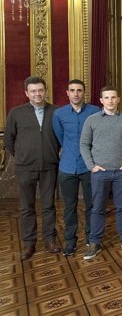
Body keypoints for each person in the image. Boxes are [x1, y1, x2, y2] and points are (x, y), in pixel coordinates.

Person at [6, 76, 61, 260]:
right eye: (33, 91)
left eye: (40, 90)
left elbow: (62, 137)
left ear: (45, 91)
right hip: (25, 167)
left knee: (48, 206)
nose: (37, 94)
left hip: (49, 166)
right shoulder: (16, 112)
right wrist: (22, 156)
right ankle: (29, 243)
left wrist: (53, 154)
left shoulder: (56, 111)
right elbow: (9, 140)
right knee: (26, 207)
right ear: (26, 93)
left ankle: (50, 240)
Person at [80, 86, 122, 259]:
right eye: (107, 98)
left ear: (118, 99)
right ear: (101, 100)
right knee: (97, 208)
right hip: (99, 172)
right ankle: (95, 242)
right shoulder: (92, 120)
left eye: (113, 97)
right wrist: (92, 166)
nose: (110, 101)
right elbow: (84, 145)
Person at [52, 79, 100, 256]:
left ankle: (91, 238)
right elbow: (60, 137)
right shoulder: (59, 114)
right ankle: (70, 241)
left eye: (79, 90)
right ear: (67, 93)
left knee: (92, 205)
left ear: (84, 92)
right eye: (72, 90)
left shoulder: (95, 111)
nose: (76, 93)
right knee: (69, 207)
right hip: (67, 166)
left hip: (89, 166)